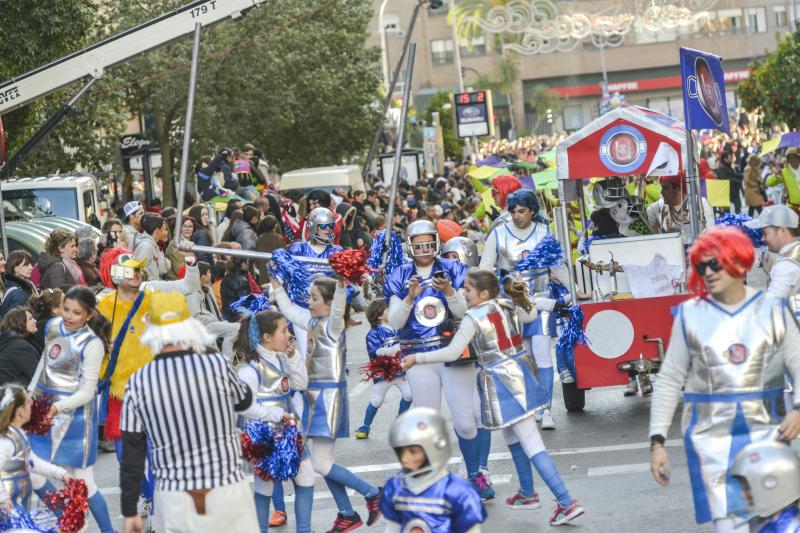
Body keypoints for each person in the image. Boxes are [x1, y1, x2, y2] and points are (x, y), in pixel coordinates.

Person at [402, 270, 585, 524]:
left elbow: (453, 352)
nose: (464, 294)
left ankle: (566, 502)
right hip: (521, 371)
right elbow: (531, 314)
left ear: (483, 293)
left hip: (500, 379)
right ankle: (527, 492)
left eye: (468, 289)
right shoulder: (507, 304)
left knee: (532, 442)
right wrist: (523, 296)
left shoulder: (471, 317)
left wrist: (417, 358)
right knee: (511, 434)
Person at [649, 227, 800, 533]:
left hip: (769, 436)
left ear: (738, 262)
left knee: (782, 526)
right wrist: (657, 442)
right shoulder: (689, 316)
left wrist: (798, 407)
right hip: (711, 444)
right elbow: (668, 380)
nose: (708, 272)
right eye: (701, 265)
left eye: (715, 263)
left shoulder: (772, 310)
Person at [119, 292, 259, 533]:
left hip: (175, 495)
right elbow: (244, 401)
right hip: (225, 485)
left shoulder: (138, 381)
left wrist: (129, 510)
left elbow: (133, 453)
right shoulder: (215, 365)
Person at [384, 219, 493, 500]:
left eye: (428, 243)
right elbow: (396, 322)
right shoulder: (399, 275)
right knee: (429, 421)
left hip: (454, 352)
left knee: (466, 421)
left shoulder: (454, 269)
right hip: (417, 355)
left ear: (436, 241)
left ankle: (475, 474)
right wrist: (409, 298)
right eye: (417, 244)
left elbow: (464, 311)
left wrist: (448, 292)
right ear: (409, 246)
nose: (423, 249)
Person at [272, 276, 382, 532]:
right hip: (313, 397)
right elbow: (288, 309)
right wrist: (277, 285)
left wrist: (342, 283)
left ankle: (371, 492)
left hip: (329, 397)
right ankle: (347, 511)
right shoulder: (311, 321)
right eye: (309, 297)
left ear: (331, 303)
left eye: (314, 298)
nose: (309, 302)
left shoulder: (333, 325)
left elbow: (338, 304)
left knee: (321, 463)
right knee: (322, 461)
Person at [29, 286, 115, 532]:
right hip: (44, 410)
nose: (68, 315)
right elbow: (43, 365)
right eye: (66, 308)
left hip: (76, 418)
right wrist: (30, 394)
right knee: (33, 469)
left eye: (76, 312)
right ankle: (67, 519)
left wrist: (57, 407)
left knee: (84, 484)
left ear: (88, 315)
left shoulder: (93, 344)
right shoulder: (52, 326)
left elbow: (88, 392)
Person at [479, 189, 563, 430]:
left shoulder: (544, 232)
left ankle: (546, 409)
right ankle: (533, 405)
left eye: (521, 211)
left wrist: (573, 289)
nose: (516, 216)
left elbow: (556, 265)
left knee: (543, 353)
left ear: (532, 211)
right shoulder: (498, 234)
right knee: (524, 359)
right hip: (512, 305)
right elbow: (485, 268)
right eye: (513, 211)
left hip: (541, 300)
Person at [235, 310, 314, 533]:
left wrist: (294, 356)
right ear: (267, 337)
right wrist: (276, 415)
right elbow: (244, 407)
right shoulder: (250, 370)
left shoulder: (281, 357)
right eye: (284, 330)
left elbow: (301, 383)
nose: (288, 335)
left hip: (290, 435)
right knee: (265, 488)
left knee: (306, 478)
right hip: (266, 437)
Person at [381, 407, 487, 532]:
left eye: (413, 452)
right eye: (401, 452)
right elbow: (392, 527)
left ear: (435, 447)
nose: (405, 458)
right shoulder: (395, 487)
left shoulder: (458, 491)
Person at [0, 384, 70, 513]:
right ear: (20, 411)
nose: (32, 403)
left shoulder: (19, 434)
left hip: (19, 501)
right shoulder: (5, 441)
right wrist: (3, 499)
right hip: (7, 507)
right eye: (28, 401)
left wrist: (61, 473)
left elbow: (33, 462)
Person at [354, 299, 412, 440]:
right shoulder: (373, 333)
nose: (391, 312)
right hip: (383, 373)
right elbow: (377, 352)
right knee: (376, 400)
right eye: (388, 310)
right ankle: (365, 426)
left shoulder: (397, 327)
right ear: (379, 315)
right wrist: (395, 349)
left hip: (400, 370)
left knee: (409, 394)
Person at [730, 440, 800, 533]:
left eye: (747, 488)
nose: (742, 494)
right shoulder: (771, 525)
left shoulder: (793, 528)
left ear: (771, 483)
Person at [186, 261, 240, 361]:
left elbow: (215, 311)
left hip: (212, 322)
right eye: (209, 272)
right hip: (201, 326)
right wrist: (213, 320)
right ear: (202, 276)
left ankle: (223, 360)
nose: (211, 274)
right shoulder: (192, 293)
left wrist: (219, 321)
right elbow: (195, 317)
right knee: (234, 329)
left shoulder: (207, 289)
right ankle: (226, 362)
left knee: (237, 327)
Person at [746, 205, 800, 301]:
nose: (762, 238)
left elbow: (772, 306)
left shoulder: (785, 266)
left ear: (782, 231)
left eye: (765, 233)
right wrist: (770, 270)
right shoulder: (794, 252)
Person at [646, 174, 716, 244]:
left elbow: (711, 234)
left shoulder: (700, 204)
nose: (662, 192)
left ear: (678, 190)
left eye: (666, 189)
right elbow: (645, 221)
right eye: (662, 188)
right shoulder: (657, 207)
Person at [0, 308, 40, 386]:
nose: (35, 321)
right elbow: (38, 377)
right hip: (22, 395)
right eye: (30, 319)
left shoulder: (9, 342)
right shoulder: (20, 347)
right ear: (21, 323)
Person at [0, 250, 37, 320]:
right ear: (15, 268)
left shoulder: (25, 284)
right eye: (26, 265)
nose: (31, 267)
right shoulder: (17, 292)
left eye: (31, 264)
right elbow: (17, 322)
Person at [134, 213, 170, 281]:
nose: (165, 232)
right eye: (163, 229)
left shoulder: (154, 245)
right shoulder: (146, 246)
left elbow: (161, 269)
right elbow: (140, 271)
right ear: (157, 231)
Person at [767, 148, 800, 214]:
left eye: (794, 157)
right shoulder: (784, 172)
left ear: (798, 157)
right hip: (793, 208)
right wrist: (775, 175)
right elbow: (769, 183)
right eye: (790, 158)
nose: (793, 160)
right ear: (787, 160)